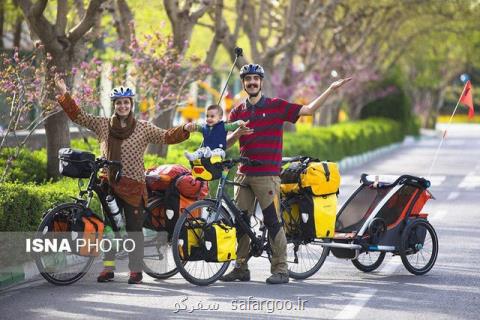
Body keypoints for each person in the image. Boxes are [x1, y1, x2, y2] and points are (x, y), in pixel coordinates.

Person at [54, 76, 195, 284]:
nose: (122, 106)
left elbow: (166, 136)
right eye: (119, 102)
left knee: (133, 228)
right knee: (110, 228)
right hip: (108, 184)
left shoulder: (143, 128)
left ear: (131, 105)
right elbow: (79, 116)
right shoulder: (103, 125)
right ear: (114, 105)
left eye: (126, 102)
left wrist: (184, 130)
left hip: (133, 185)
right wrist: (65, 94)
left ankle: (136, 271)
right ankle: (108, 269)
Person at [220, 63, 351, 284]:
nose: (252, 82)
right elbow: (227, 143)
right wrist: (237, 133)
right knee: (240, 222)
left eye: (255, 78)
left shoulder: (276, 106)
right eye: (248, 79)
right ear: (243, 83)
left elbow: (308, 110)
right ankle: (241, 267)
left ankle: (281, 269)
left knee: (272, 221)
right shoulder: (238, 112)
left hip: (267, 175)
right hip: (243, 174)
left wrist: (330, 90)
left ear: (261, 82)